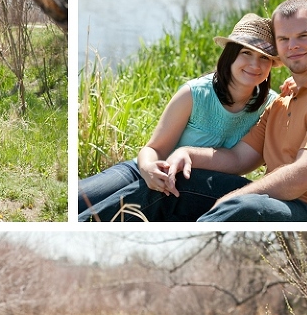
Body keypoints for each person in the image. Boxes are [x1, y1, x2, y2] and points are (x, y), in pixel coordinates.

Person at [164, 0, 307, 223]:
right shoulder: (282, 101)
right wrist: (188, 153)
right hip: (280, 203)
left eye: (303, 36)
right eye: (283, 39)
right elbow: (238, 159)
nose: (292, 45)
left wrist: (229, 201)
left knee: (246, 206)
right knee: (183, 183)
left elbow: (301, 176)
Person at [78, 13, 279, 222]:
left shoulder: (272, 106)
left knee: (100, 217)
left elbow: (245, 160)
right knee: (79, 200)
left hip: (190, 189)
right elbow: (154, 149)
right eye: (246, 53)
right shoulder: (195, 93)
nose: (255, 65)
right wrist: (147, 168)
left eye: (264, 57)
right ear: (230, 55)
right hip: (146, 171)